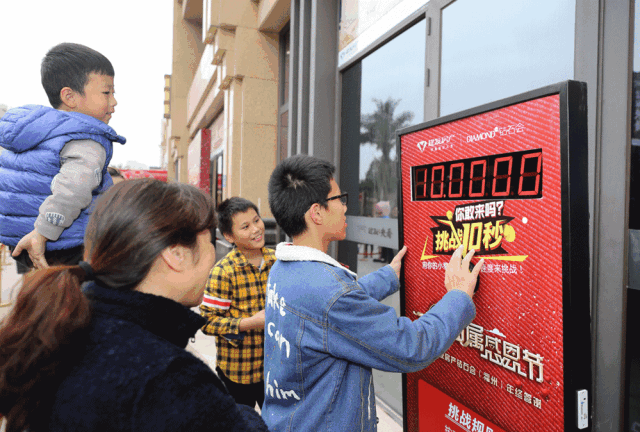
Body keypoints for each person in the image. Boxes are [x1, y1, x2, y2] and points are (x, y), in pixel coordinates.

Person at [0, 179, 269, 432]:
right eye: (209, 242)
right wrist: (241, 413)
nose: (213, 253)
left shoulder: (71, 323)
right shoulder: (172, 379)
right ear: (176, 255)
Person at [262, 154, 483, 431]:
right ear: (316, 213)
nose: (345, 207)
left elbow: (328, 313)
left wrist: (389, 276)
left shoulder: (283, 268)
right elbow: (411, 346)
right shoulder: (330, 293)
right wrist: (458, 296)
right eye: (339, 199)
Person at [0, 42, 126, 272]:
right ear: (69, 96)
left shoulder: (34, 132)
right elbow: (73, 190)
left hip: (19, 240)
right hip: (65, 243)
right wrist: (42, 233)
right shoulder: (86, 138)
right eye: (107, 92)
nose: (114, 101)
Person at [200, 197, 275, 409]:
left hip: (273, 370)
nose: (256, 229)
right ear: (229, 236)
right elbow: (207, 322)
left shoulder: (278, 261)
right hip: (238, 373)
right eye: (245, 226)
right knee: (241, 422)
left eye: (257, 220)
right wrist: (249, 323)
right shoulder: (223, 272)